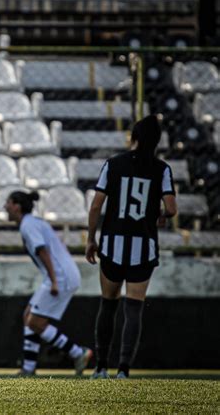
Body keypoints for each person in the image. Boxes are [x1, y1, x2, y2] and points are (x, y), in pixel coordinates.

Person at [85, 114, 177, 379]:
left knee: (108, 305)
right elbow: (171, 208)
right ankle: (124, 369)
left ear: (133, 137)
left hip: (113, 244)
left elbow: (95, 206)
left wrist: (92, 239)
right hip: (143, 247)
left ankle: (101, 366)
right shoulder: (162, 169)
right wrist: (157, 213)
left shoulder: (113, 164)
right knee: (133, 308)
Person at [5, 191, 93, 376]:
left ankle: (78, 353)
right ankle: (28, 368)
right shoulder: (34, 223)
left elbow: (43, 251)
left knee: (35, 322)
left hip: (60, 277)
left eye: (8, 203)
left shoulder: (28, 225)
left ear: (17, 206)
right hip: (61, 274)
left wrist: (54, 281)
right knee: (28, 316)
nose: (5, 207)